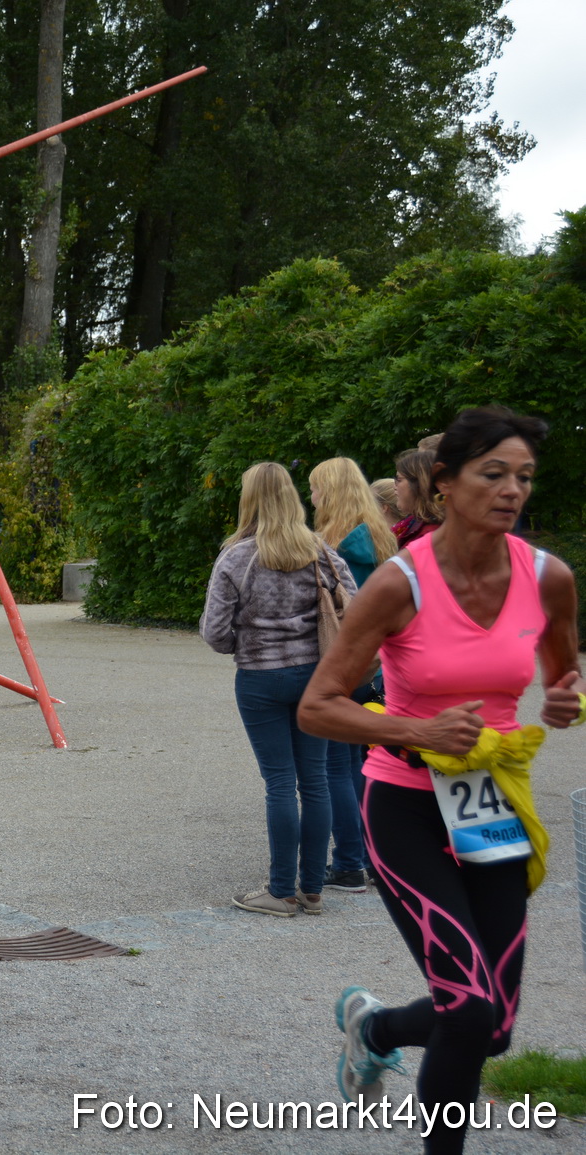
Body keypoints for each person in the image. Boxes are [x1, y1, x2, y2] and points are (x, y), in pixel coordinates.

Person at [298, 406, 581, 1155]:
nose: (512, 490)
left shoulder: (549, 577)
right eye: (493, 474)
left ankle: (378, 1026)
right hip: (405, 804)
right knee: (466, 1006)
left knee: (493, 1025)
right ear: (445, 485)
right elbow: (317, 707)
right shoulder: (399, 584)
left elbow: (562, 671)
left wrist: (565, 697)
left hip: (489, 803)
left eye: (523, 476)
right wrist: (414, 728)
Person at [201, 462, 354, 917]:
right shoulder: (321, 552)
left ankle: (281, 890)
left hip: (261, 678)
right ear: (292, 497)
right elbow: (358, 605)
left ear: (248, 500)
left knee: (280, 784)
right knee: (317, 781)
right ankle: (312, 889)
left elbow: (214, 632)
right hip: (317, 677)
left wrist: (243, 644)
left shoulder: (236, 558)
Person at [309, 457, 400, 893]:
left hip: (344, 660)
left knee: (335, 766)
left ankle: (348, 861)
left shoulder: (332, 545)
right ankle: (371, 854)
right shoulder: (382, 538)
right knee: (364, 763)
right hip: (379, 662)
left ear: (328, 492)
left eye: (314, 489)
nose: (311, 498)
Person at [392, 447, 444, 548]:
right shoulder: (413, 524)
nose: (394, 486)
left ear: (419, 485)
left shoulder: (430, 536)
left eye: (399, 479)